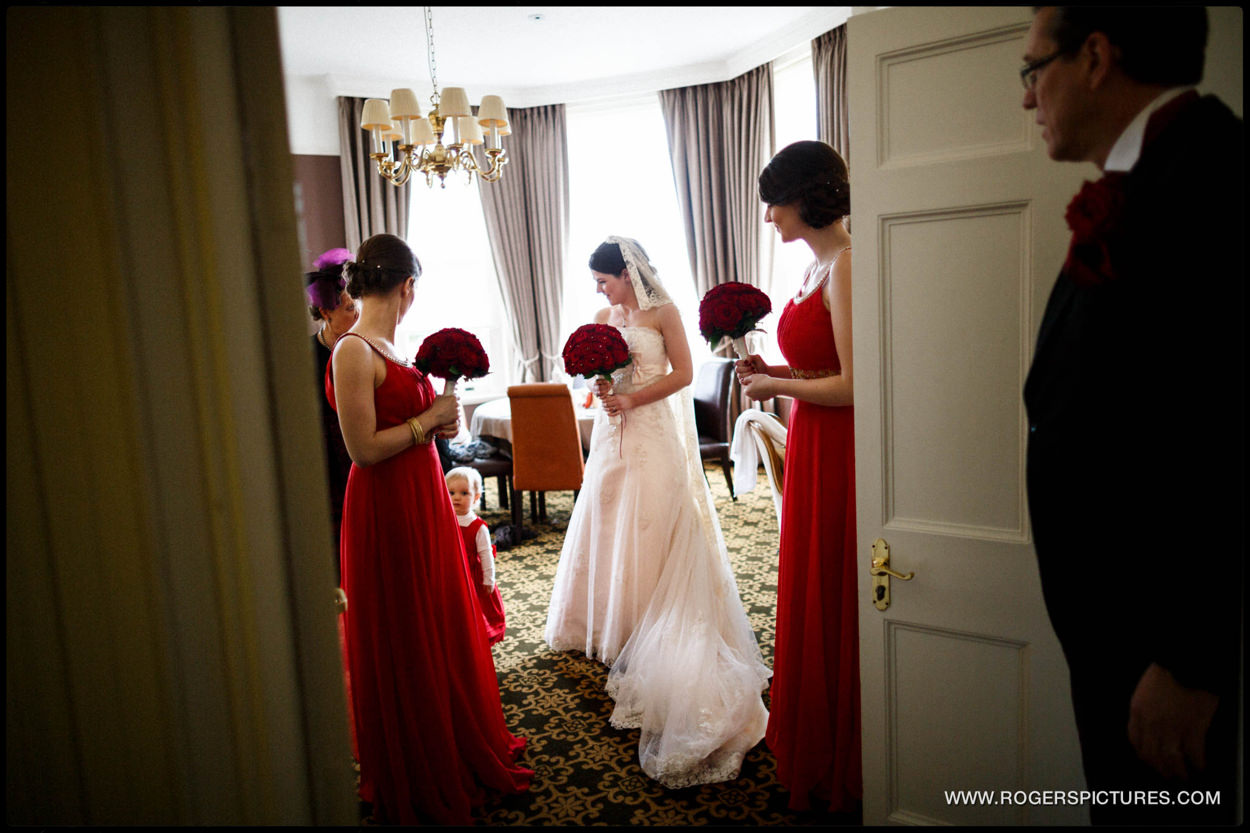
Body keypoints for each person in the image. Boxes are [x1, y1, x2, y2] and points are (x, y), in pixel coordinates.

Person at [1020, 7, 1241, 825]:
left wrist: (1189, 660)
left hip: (1163, 653)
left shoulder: (1211, 177)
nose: (1027, 97)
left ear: (1097, 57)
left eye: (1030, 69)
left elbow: (1223, 430)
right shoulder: (1152, 175)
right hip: (1121, 638)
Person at [544, 236, 770, 788]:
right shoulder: (604, 315)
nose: (599, 290)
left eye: (605, 279)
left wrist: (632, 399)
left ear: (627, 272)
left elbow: (684, 375)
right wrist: (601, 387)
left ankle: (649, 628)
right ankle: (608, 622)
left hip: (652, 432)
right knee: (606, 517)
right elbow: (603, 380)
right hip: (611, 434)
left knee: (649, 522)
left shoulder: (664, 311)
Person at [327, 233, 531, 824]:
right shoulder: (353, 351)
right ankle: (413, 756)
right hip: (385, 505)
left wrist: (444, 421)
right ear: (408, 287)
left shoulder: (393, 346)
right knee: (402, 622)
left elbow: (421, 425)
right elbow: (362, 450)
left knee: (432, 615)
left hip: (422, 497)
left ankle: (444, 730)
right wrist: (426, 422)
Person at [736, 140, 859, 814]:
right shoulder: (816, 270)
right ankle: (819, 736)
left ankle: (849, 747)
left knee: (837, 584)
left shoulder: (846, 264)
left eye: (773, 202)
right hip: (815, 434)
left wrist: (775, 383)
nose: (767, 217)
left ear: (805, 197)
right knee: (812, 577)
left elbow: (856, 384)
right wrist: (775, 376)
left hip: (840, 444)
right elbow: (820, 371)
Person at [306, 247, 358, 581]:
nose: (357, 314)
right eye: (350, 308)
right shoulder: (307, 355)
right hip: (324, 458)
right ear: (326, 311)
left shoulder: (363, 346)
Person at [446, 466, 506, 645]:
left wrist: (489, 580)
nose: (457, 497)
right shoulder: (445, 518)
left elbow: (486, 556)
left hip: (473, 576)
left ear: (476, 497)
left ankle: (477, 634)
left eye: (464, 493)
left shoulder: (478, 526)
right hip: (452, 573)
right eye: (452, 492)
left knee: (476, 607)